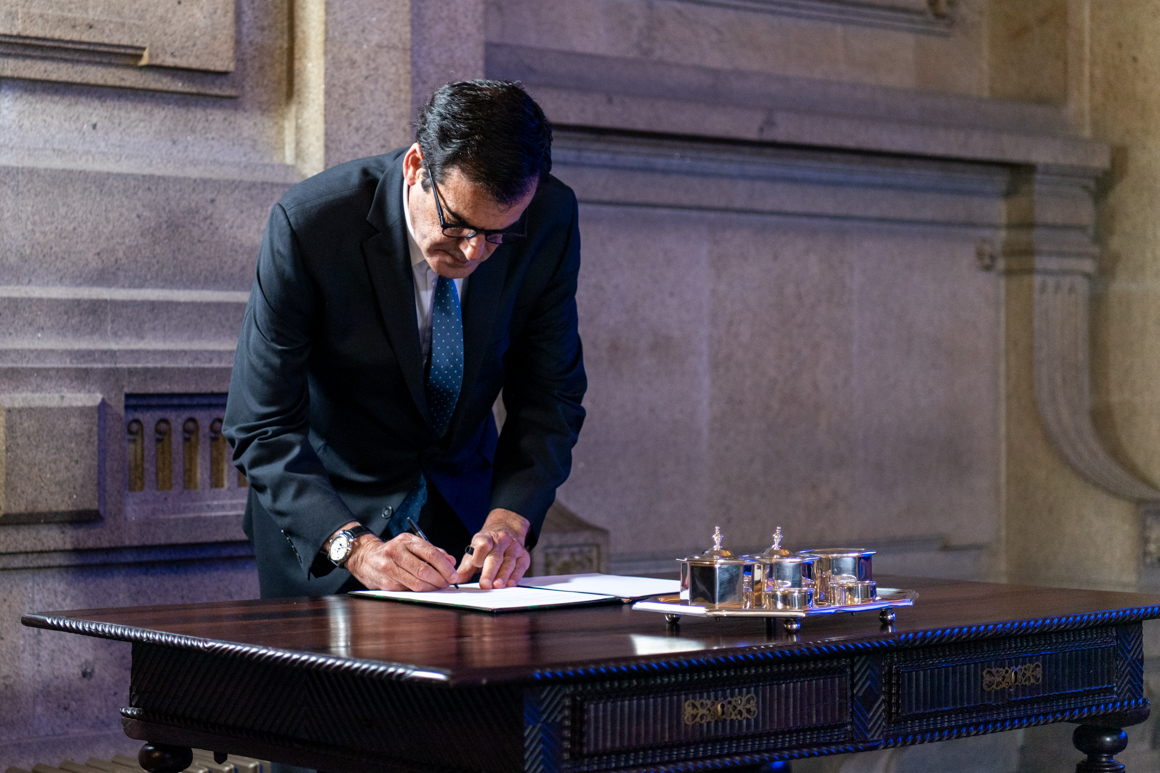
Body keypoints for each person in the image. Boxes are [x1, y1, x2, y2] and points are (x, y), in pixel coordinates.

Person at [223, 80, 586, 599]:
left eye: (498, 234)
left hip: (464, 535)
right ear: (417, 166)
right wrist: (356, 549)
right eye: (458, 225)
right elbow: (259, 424)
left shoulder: (550, 217)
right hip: (329, 532)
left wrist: (511, 517)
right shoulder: (312, 224)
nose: (474, 253)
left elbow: (551, 394)